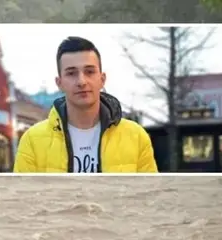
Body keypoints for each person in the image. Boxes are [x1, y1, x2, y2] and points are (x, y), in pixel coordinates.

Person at [13, 36, 158, 173]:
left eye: (89, 72)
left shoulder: (136, 136)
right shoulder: (32, 140)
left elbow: (151, 195)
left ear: (102, 79)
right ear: (59, 83)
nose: (82, 81)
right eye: (71, 73)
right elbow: (22, 197)